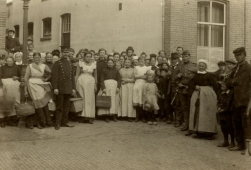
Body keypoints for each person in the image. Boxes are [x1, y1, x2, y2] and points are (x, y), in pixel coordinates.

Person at [225, 47, 251, 152]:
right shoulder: (236, 68)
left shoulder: (248, 68)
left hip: (245, 100)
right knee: (236, 123)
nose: (237, 58)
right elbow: (227, 82)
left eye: (239, 55)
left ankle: (248, 147)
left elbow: (238, 82)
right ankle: (240, 145)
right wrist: (233, 82)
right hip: (234, 99)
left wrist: (247, 96)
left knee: (246, 123)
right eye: (236, 56)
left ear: (244, 55)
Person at [188, 59, 218, 139]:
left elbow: (215, 84)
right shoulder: (196, 75)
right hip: (197, 93)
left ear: (205, 66)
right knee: (197, 112)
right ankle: (198, 131)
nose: (201, 67)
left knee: (206, 112)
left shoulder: (209, 75)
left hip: (207, 95)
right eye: (200, 66)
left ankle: (209, 133)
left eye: (203, 66)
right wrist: (195, 86)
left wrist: (213, 94)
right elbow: (191, 84)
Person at [24, 52, 53, 129]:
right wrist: (25, 90)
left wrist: (46, 79)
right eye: (35, 58)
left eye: (38, 58)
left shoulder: (44, 66)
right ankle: (40, 122)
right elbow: (26, 78)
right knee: (36, 104)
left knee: (43, 102)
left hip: (41, 85)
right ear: (33, 58)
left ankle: (47, 122)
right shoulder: (29, 66)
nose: (37, 59)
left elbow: (50, 73)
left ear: (40, 58)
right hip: (32, 85)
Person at [51, 48, 76, 130]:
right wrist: (55, 88)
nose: (65, 54)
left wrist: (73, 88)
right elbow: (54, 77)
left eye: (67, 52)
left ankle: (64, 122)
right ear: (61, 53)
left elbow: (72, 77)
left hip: (68, 88)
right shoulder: (57, 63)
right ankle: (57, 123)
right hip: (60, 88)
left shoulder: (70, 64)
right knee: (59, 107)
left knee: (66, 106)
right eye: (64, 52)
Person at [177, 50, 197, 131]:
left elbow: (195, 78)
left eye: (186, 56)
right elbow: (175, 77)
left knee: (191, 106)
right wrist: (178, 83)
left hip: (190, 89)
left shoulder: (194, 65)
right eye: (183, 56)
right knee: (184, 107)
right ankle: (186, 123)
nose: (184, 58)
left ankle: (192, 124)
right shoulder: (180, 66)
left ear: (189, 56)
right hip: (182, 89)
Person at [76, 52, 97, 124]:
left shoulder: (94, 64)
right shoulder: (80, 64)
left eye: (89, 56)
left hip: (91, 82)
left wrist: (95, 84)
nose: (88, 58)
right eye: (87, 56)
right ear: (84, 57)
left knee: (90, 99)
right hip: (81, 81)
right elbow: (77, 74)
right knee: (82, 98)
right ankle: (82, 116)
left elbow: (95, 75)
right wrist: (75, 84)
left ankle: (90, 116)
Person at [0, 56, 21, 127]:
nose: (9, 62)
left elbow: (21, 76)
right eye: (8, 61)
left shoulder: (17, 67)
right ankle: (3, 120)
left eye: (11, 61)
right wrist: (2, 85)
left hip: (15, 86)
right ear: (6, 61)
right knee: (4, 101)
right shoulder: (2, 68)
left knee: (14, 102)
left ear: (13, 61)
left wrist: (17, 78)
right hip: (4, 85)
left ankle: (12, 120)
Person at [217, 83, 235, 148]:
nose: (221, 86)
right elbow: (219, 101)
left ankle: (232, 141)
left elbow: (230, 105)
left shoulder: (231, 94)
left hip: (229, 113)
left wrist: (224, 110)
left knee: (230, 127)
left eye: (224, 85)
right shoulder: (221, 93)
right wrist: (218, 107)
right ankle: (225, 141)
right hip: (222, 113)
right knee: (223, 127)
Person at [133, 56, 151, 122]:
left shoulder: (147, 68)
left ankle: (144, 117)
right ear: (138, 61)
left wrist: (140, 76)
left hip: (144, 85)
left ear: (144, 61)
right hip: (137, 85)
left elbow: (147, 77)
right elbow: (135, 76)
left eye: (142, 60)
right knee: (137, 100)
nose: (141, 61)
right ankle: (137, 116)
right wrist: (142, 76)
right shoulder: (136, 67)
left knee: (143, 101)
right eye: (140, 60)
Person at [168, 53, 183, 126]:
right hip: (170, 88)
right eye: (172, 59)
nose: (173, 60)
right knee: (173, 103)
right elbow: (168, 78)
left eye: (175, 59)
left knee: (178, 104)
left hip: (177, 87)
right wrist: (168, 75)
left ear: (177, 59)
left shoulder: (180, 67)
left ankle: (178, 120)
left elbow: (181, 77)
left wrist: (177, 77)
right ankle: (174, 119)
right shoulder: (170, 67)